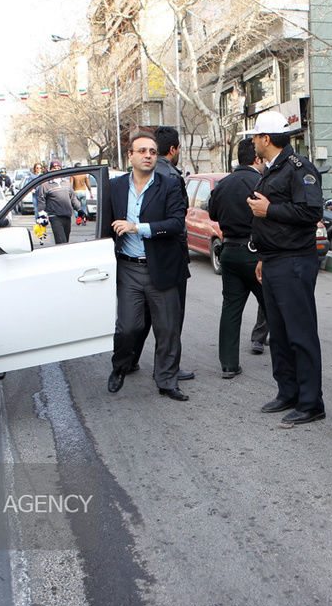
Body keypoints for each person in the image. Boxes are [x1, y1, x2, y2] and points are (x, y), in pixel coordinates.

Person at [242, 110, 325, 428]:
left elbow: (311, 211)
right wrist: (263, 256)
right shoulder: (273, 168)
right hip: (275, 260)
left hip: (294, 262)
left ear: (266, 139)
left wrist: (269, 209)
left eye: (255, 137)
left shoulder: (298, 168)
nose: (252, 142)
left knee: (300, 333)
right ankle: (288, 391)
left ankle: (310, 402)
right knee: (278, 333)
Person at [106, 132, 191, 401]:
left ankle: (166, 381)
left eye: (152, 151)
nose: (148, 155)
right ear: (129, 155)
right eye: (142, 150)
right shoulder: (115, 187)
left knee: (167, 330)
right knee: (128, 327)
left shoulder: (170, 185)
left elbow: (177, 223)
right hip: (128, 269)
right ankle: (120, 367)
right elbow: (103, 228)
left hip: (162, 268)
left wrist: (137, 228)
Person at [126, 126, 195, 382]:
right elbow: (177, 222)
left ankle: (130, 360)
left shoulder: (140, 174)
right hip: (168, 257)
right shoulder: (171, 178)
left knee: (143, 314)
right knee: (170, 318)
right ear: (174, 149)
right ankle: (168, 369)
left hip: (139, 258)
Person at [209, 138, 269, 378]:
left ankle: (228, 364)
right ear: (257, 159)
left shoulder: (223, 184)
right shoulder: (261, 182)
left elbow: (213, 213)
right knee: (274, 306)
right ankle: (291, 360)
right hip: (254, 253)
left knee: (231, 308)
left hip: (229, 251)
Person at [35, 159, 80, 244]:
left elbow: (73, 198)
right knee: (61, 241)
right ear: (50, 170)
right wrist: (41, 214)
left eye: (58, 167)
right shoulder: (45, 184)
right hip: (55, 216)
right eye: (53, 168)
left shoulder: (66, 182)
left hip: (67, 215)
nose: (56, 169)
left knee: (65, 241)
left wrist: (80, 210)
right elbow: (41, 200)